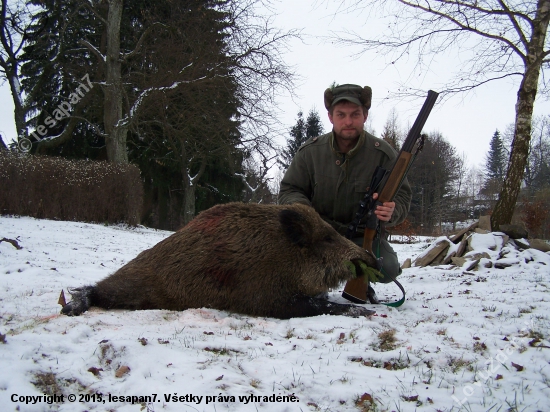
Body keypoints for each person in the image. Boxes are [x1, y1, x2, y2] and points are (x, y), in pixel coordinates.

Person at [278, 83, 412, 302]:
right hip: (318, 233)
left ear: (365, 115)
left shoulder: (384, 155)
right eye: (341, 114)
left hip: (361, 236)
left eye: (355, 114)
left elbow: (403, 195)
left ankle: (361, 283)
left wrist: (391, 211)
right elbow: (289, 190)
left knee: (386, 268)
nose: (348, 121)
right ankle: (310, 284)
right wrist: (305, 215)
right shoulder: (309, 152)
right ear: (331, 117)